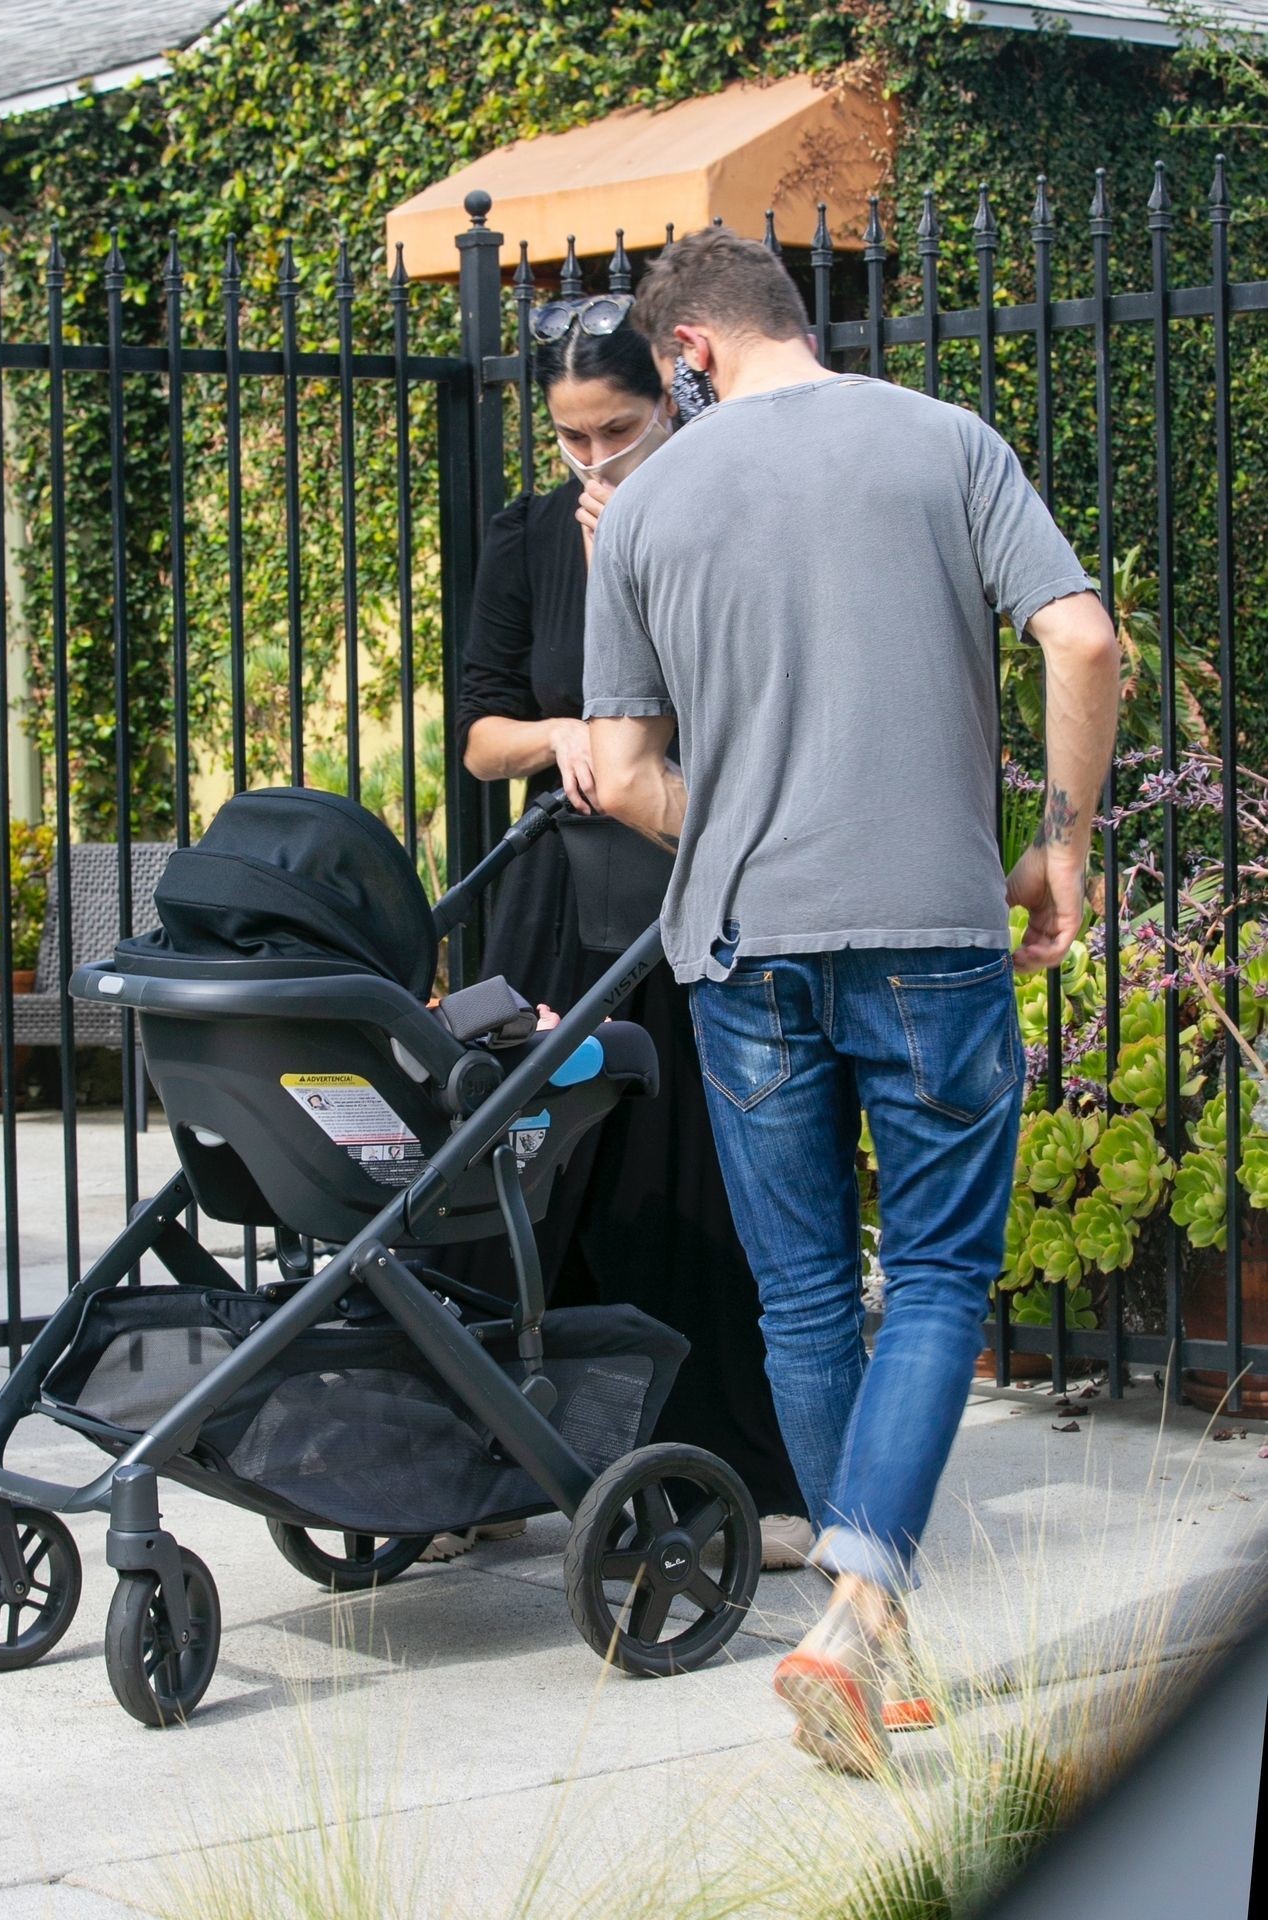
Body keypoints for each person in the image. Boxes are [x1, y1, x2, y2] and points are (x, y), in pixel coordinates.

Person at [582, 227, 1120, 1772]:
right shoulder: (947, 442)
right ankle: (861, 1612)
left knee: (807, 1300)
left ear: (687, 352)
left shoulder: (645, 504)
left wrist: (755, 813)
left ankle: (868, 1649)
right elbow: (1085, 638)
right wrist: (1062, 846)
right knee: (939, 1277)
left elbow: (616, 771)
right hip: (930, 934)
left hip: (744, 946)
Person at [435, 297, 809, 1568]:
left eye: (619, 430)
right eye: (572, 436)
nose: (595, 459)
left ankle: (730, 1470)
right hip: (556, 898)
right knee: (523, 1171)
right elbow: (480, 733)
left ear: (672, 405)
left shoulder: (727, 513)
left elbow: (755, 700)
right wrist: (558, 734)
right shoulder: (529, 533)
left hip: (694, 882)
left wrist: (636, 569)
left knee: (685, 1181)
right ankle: (485, 1461)